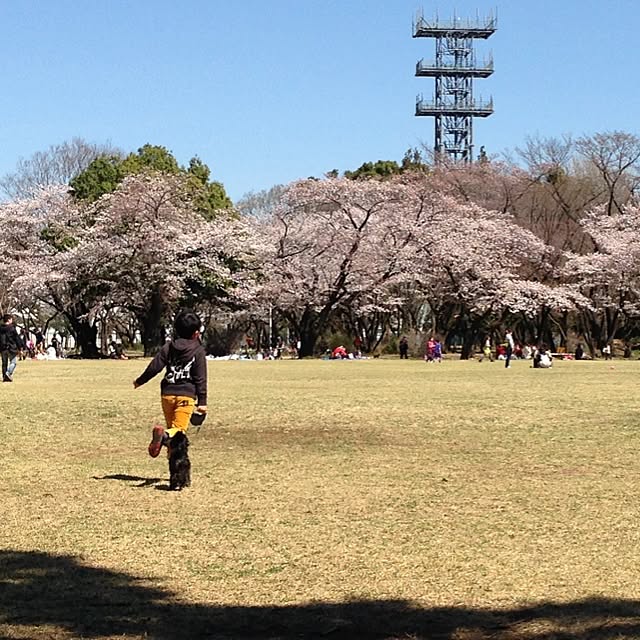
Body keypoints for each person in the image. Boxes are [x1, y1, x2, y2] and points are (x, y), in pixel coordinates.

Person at [133, 309, 208, 458]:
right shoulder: (198, 350)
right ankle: (164, 437)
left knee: (173, 430)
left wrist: (140, 381)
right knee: (178, 430)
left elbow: (155, 367)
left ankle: (172, 462)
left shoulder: (169, 347)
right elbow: (200, 377)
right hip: (186, 396)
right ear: (195, 333)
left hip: (167, 394)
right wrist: (203, 401)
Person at [0, 314, 21, 382]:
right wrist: (20, 347)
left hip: (3, 348)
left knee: (4, 363)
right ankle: (8, 373)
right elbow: (16, 338)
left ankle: (4, 377)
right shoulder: (12, 328)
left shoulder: (1, 328)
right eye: (11, 319)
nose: (12, 320)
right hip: (11, 347)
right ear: (9, 320)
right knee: (13, 362)